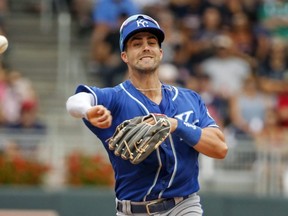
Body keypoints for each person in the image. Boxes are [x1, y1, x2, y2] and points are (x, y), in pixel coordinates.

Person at [66, 14, 228, 216]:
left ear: (160, 53)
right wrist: (87, 110)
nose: (146, 47)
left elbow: (220, 148)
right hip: (133, 210)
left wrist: (176, 124)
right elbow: (75, 101)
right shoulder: (114, 99)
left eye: (151, 42)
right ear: (124, 55)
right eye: (136, 43)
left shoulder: (189, 99)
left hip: (184, 206)